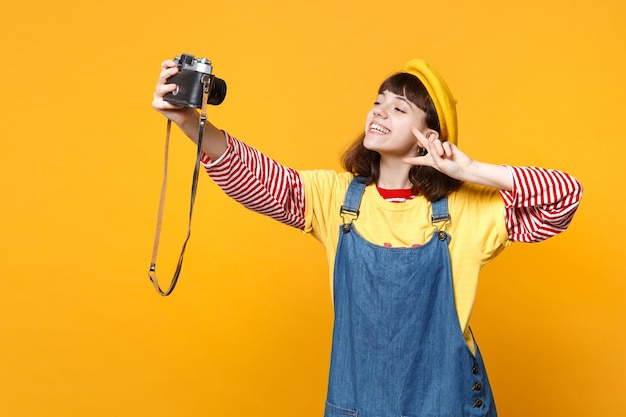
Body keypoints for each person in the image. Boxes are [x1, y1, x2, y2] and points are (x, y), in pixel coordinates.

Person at [152, 57, 582, 417]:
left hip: (447, 404)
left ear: (429, 135)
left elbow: (564, 197)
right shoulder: (335, 197)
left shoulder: (469, 211)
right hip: (359, 404)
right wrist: (189, 121)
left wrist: (468, 172)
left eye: (398, 108)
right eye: (378, 102)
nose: (379, 112)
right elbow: (261, 180)